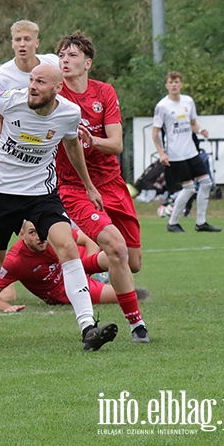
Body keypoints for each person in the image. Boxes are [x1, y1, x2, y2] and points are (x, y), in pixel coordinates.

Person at [0, 62, 119, 352]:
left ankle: (88, 328)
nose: (32, 87)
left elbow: (72, 145)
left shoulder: (69, 113)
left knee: (68, 247)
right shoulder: (12, 99)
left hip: (41, 195)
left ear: (58, 89)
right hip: (1, 194)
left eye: (40, 82)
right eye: (31, 80)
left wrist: (88, 185)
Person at [55, 32, 150, 343]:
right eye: (62, 56)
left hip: (112, 184)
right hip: (76, 188)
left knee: (130, 262)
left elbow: (116, 144)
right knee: (116, 248)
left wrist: (91, 140)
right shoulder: (55, 97)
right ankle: (137, 326)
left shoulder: (104, 92)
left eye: (71, 55)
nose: (65, 60)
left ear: (87, 62)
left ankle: (77, 267)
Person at [0, 221, 149, 314]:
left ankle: (102, 275)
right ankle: (107, 279)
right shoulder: (15, 261)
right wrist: (7, 307)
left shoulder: (52, 234)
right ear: (22, 235)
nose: (40, 237)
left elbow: (89, 240)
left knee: (119, 254)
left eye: (40, 231)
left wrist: (85, 272)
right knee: (129, 294)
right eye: (33, 233)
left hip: (76, 268)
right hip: (62, 293)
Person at [152, 71, 221, 233]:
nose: (174, 85)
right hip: (175, 154)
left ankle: (201, 222)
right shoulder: (162, 106)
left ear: (181, 85)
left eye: (177, 82)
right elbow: (155, 133)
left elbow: (193, 124)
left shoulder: (188, 101)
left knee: (206, 183)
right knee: (189, 188)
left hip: (191, 151)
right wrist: (162, 153)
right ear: (167, 85)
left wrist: (201, 130)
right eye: (171, 82)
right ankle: (173, 222)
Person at [0, 20, 59, 135]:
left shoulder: (54, 62)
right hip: (19, 136)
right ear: (12, 44)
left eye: (27, 39)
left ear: (37, 43)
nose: (22, 44)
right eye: (17, 39)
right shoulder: (0, 78)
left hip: (52, 131)